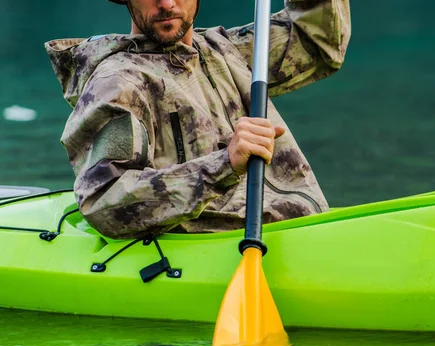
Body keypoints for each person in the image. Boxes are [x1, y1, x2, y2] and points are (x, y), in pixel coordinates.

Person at [44, 0, 351, 239]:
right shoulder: (119, 82)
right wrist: (224, 165)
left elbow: (317, 41)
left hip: (298, 230)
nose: (166, 3)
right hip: (222, 249)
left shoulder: (222, 51)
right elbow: (103, 199)